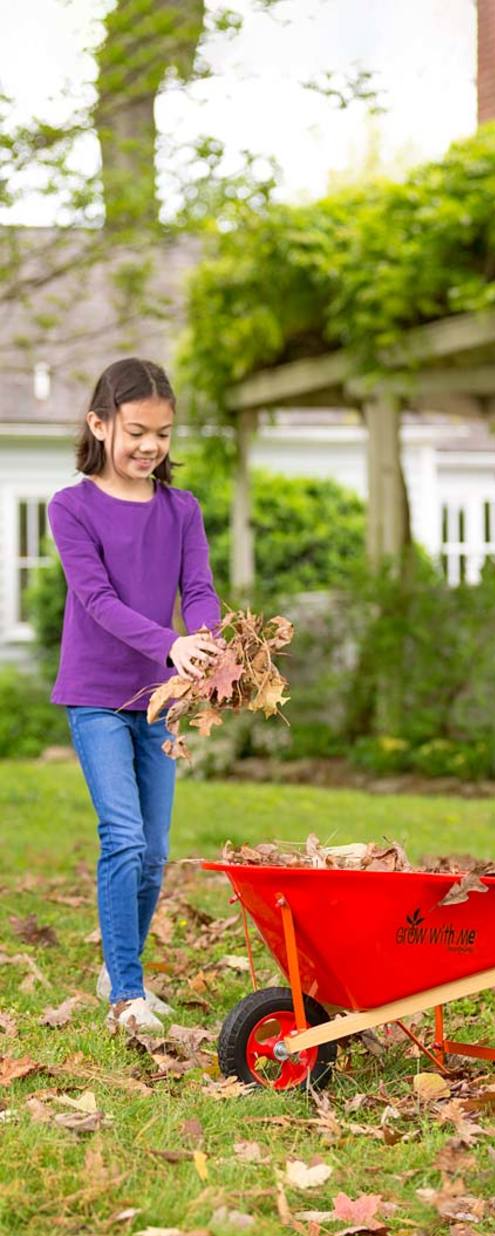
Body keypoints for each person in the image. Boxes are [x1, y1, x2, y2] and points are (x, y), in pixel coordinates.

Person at [48, 358, 221, 1035]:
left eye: (165, 434)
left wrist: (204, 645)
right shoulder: (73, 507)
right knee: (121, 836)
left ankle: (120, 967)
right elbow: (95, 600)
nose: (150, 447)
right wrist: (170, 642)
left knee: (153, 850)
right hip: (95, 696)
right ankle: (126, 994)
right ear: (100, 424)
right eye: (137, 431)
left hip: (163, 697)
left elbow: (199, 589)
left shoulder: (182, 509)